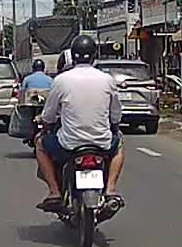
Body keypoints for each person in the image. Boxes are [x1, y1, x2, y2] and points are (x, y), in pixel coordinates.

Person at [34, 35, 125, 213]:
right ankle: (110, 190)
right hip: (101, 143)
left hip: (69, 144)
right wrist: (114, 126)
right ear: (94, 56)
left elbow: (49, 115)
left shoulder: (61, 80)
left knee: (39, 143)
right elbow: (116, 114)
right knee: (119, 144)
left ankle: (54, 192)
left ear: (72, 56)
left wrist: (44, 125)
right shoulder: (107, 79)